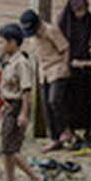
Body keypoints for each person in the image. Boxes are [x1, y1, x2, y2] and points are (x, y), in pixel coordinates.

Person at [0, 23, 48, 181]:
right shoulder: (9, 62)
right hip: (10, 107)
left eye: (2, 42)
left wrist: (24, 113)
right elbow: (8, 88)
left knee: (12, 149)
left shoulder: (21, 63)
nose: (0, 46)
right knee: (7, 149)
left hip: (17, 108)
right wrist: (2, 106)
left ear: (12, 43)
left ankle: (36, 178)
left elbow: (26, 91)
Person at [20, 9, 71, 153]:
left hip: (57, 68)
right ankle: (55, 139)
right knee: (46, 107)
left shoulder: (51, 30)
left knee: (54, 100)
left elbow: (65, 48)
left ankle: (66, 130)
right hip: (43, 72)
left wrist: (65, 67)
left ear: (38, 23)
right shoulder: (31, 37)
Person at [57, 0, 91, 147]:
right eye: (78, 10)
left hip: (85, 62)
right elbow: (60, 44)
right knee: (70, 98)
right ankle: (71, 130)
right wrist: (66, 63)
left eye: (84, 10)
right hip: (70, 62)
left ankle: (88, 128)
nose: (81, 13)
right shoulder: (63, 22)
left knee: (86, 97)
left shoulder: (90, 19)